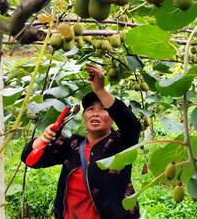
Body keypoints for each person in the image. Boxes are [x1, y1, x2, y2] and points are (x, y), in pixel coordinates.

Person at [21, 64, 142, 219]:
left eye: (103, 108)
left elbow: (132, 125)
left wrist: (100, 90)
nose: (95, 114)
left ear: (112, 118)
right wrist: (43, 139)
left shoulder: (120, 143)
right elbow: (30, 160)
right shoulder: (72, 145)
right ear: (84, 117)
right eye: (90, 109)